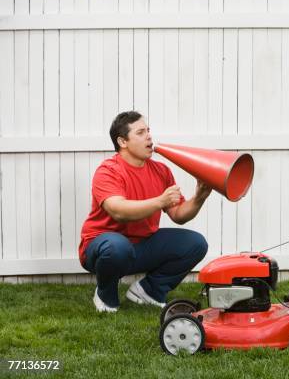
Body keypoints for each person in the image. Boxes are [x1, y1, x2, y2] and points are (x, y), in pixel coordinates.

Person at [79, 111, 211, 313]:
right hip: (103, 247)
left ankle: (149, 291)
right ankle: (106, 295)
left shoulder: (161, 170)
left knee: (195, 244)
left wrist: (199, 197)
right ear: (123, 141)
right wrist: (160, 201)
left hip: (141, 246)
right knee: (117, 247)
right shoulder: (108, 170)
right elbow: (118, 211)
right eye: (141, 132)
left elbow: (178, 215)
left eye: (148, 131)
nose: (149, 136)